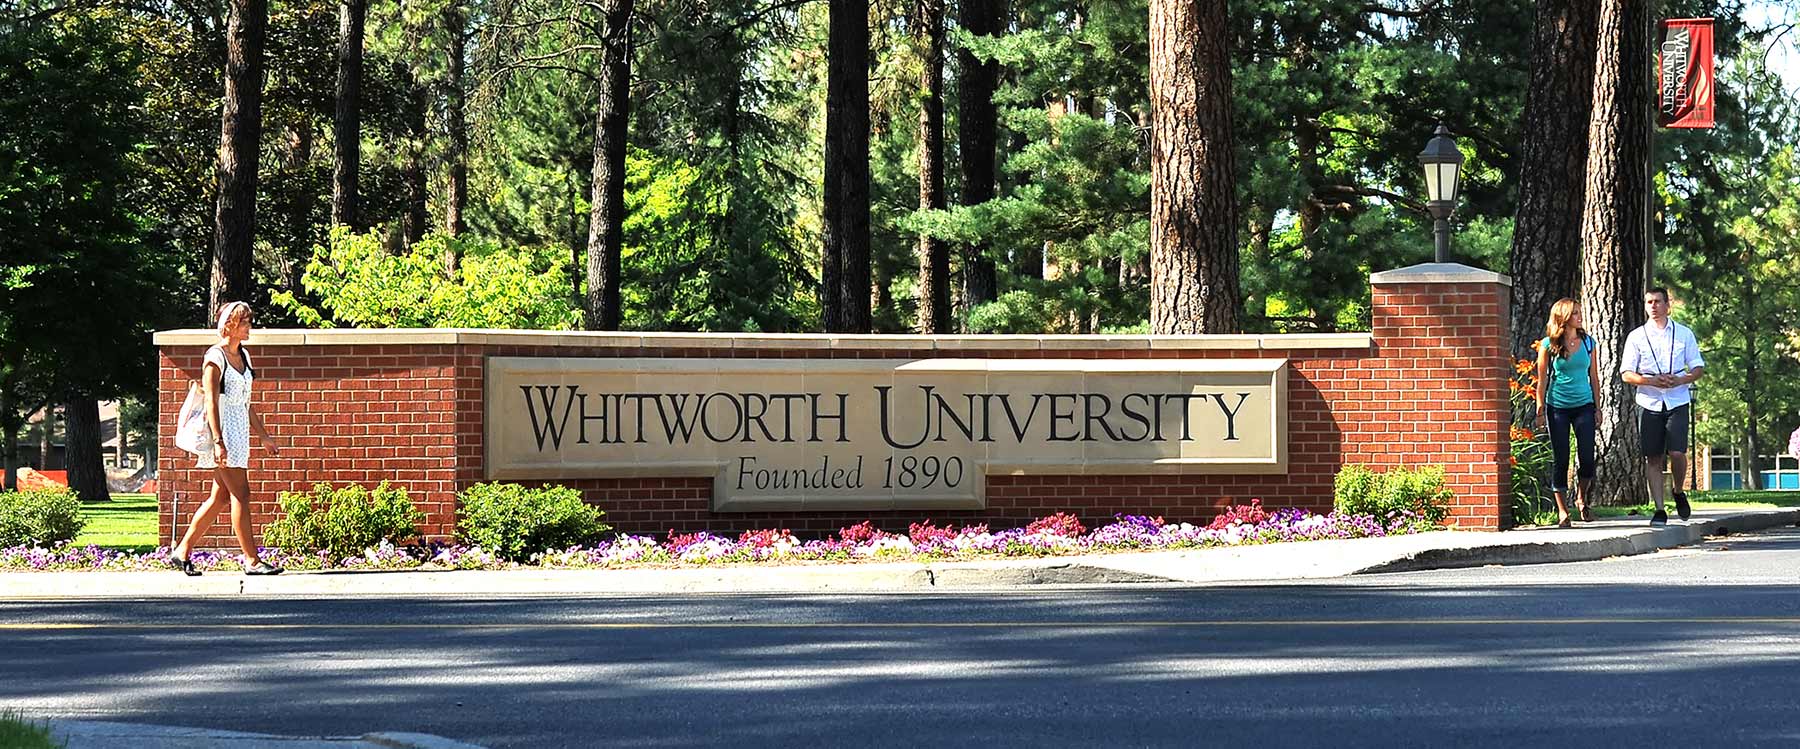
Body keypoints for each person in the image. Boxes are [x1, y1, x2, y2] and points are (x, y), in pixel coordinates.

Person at [169, 301, 284, 575]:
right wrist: (218, 441)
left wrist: (264, 436)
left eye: (249, 321)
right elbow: (210, 401)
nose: (249, 326)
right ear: (230, 325)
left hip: (239, 431)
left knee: (220, 497)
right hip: (222, 434)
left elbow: (245, 403)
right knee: (241, 494)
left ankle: (182, 550)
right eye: (245, 322)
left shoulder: (244, 356)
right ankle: (252, 560)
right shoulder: (214, 358)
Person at [1620, 287, 1705, 525]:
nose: (1654, 306)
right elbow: (1626, 373)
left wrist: (1681, 379)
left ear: (1668, 305)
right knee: (1653, 457)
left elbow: (1698, 367)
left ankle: (1678, 491)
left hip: (1677, 399)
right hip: (1648, 401)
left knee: (1677, 452)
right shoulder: (1636, 336)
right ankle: (1659, 508)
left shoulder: (1684, 334)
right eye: (1649, 302)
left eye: (1658, 301)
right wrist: (1650, 380)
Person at [1534, 298, 1602, 528]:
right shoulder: (1548, 345)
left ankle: (1581, 497)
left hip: (1583, 405)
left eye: (1579, 312)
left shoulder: (1589, 343)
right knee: (1561, 458)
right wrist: (1540, 410)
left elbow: (1594, 377)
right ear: (1563, 317)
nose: (1579, 317)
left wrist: (1598, 407)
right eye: (1574, 313)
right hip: (1557, 407)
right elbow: (1542, 381)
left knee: (1587, 458)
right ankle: (1562, 511)